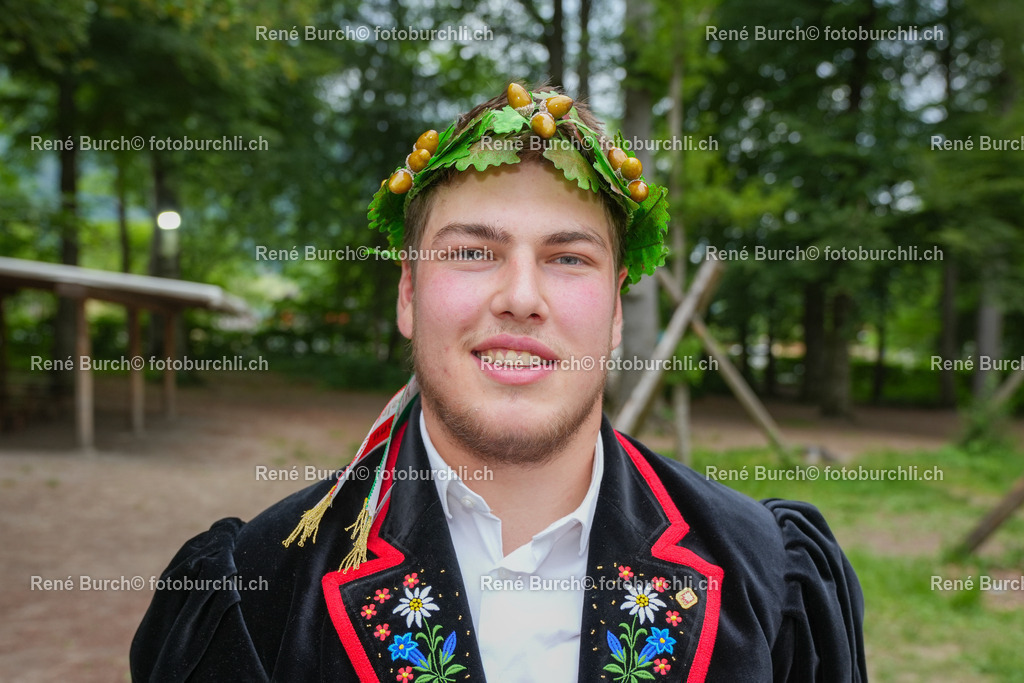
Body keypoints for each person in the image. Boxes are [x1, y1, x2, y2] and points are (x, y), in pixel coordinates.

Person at [131, 83, 866, 682]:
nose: (521, 295)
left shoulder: (767, 578)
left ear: (615, 309)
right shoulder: (259, 588)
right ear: (409, 296)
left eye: (568, 258)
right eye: (474, 251)